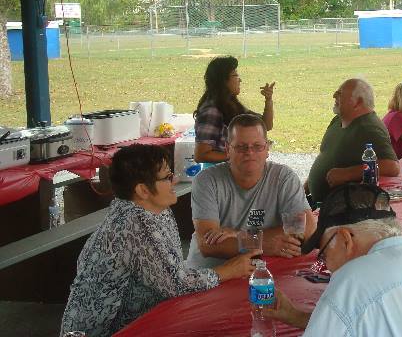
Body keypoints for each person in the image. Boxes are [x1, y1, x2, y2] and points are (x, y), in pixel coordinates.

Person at [60, 144, 259, 337]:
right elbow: (177, 284)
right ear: (143, 191)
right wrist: (230, 270)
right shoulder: (135, 223)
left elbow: (172, 271)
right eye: (167, 177)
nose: (175, 180)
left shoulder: (153, 209)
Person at [263, 183, 402, 336]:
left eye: (324, 254)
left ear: (345, 239)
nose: (327, 266)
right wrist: (295, 316)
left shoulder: (354, 280)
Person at [186, 113, 316, 268]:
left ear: (267, 148)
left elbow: (307, 230)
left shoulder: (283, 177)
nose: (250, 152)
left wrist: (239, 235)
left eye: (257, 146)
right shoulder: (207, 180)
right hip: (212, 272)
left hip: (261, 270)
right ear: (227, 149)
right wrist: (262, 244)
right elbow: (208, 245)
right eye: (241, 147)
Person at [306, 78, 399, 204]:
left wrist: (347, 174)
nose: (334, 96)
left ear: (357, 102)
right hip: (318, 203)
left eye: (340, 93)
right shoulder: (338, 120)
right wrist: (307, 186)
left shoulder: (369, 128)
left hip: (339, 208)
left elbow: (392, 167)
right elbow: (326, 156)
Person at [193, 55, 275, 163]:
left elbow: (266, 125)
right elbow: (201, 155)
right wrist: (239, 155)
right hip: (220, 171)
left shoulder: (231, 104)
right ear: (222, 80)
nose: (240, 80)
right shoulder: (211, 111)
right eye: (235, 75)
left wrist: (268, 100)